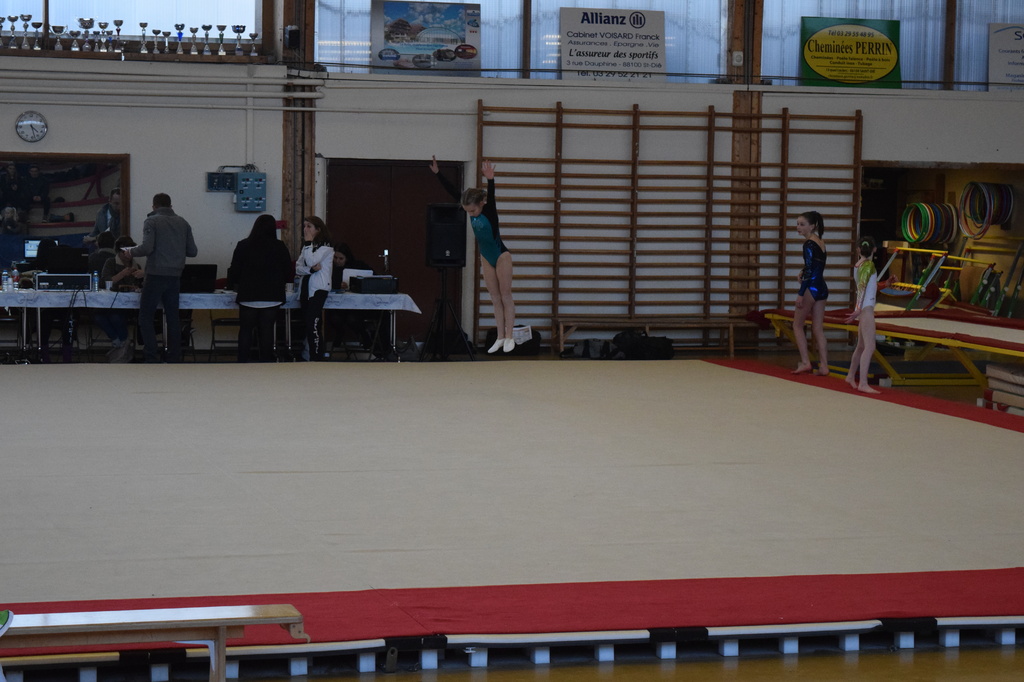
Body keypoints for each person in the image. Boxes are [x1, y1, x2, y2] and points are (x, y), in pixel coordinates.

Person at [430, 156, 516, 354]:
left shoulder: (489, 210)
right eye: (467, 211)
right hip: (486, 257)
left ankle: (510, 335)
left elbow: (492, 196)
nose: (470, 214)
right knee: (494, 297)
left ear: (482, 203)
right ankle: (500, 337)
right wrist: (438, 174)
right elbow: (453, 191)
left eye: (473, 210)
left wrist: (490, 179)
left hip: (501, 256)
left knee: (505, 295)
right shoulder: (470, 207)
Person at [124, 193, 198, 363]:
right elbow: (192, 251)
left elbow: (147, 248)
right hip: (175, 276)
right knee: (173, 318)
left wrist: (130, 252)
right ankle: (174, 357)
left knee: (146, 317)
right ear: (171, 206)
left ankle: (151, 356)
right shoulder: (183, 222)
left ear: (154, 207)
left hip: (156, 275)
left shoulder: (152, 221)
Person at [226, 214, 293, 362]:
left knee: (245, 330)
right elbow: (288, 270)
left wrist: (234, 284)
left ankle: (242, 362)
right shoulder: (279, 246)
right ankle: (265, 363)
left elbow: (235, 270)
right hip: (272, 295)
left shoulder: (243, 245)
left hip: (248, 295)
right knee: (267, 331)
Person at [791, 210, 830, 376]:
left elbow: (809, 270)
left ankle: (806, 362)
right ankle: (824, 366)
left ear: (812, 226)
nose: (798, 227)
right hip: (822, 287)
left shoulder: (808, 244)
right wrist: (803, 271)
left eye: (802, 224)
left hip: (811, 288)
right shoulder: (821, 242)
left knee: (797, 325)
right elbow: (815, 266)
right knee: (818, 328)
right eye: (797, 224)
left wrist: (801, 293)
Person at [96, 236, 144, 363]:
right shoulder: (111, 262)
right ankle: (121, 341)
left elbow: (141, 286)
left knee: (116, 317)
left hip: (129, 305)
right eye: (124, 252)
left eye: (130, 252)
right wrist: (122, 274)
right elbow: (104, 282)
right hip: (110, 301)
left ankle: (121, 344)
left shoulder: (137, 266)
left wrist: (137, 286)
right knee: (99, 317)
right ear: (119, 252)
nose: (128, 255)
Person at [844, 236, 881, 394]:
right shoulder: (869, 265)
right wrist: (859, 309)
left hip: (863, 308)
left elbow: (869, 286)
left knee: (861, 346)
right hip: (866, 310)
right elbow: (863, 287)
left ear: (858, 249)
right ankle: (863, 383)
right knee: (870, 347)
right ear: (874, 249)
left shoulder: (858, 265)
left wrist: (886, 284)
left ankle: (850, 375)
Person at [294, 216, 333, 361]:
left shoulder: (326, 248)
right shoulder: (307, 247)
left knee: (313, 324)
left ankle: (317, 358)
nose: (305, 229)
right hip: (305, 289)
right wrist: (310, 270)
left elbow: (311, 260)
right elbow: (298, 268)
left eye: (309, 226)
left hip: (318, 290)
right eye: (304, 226)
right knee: (307, 323)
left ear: (318, 229)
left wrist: (308, 243)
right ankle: (308, 355)